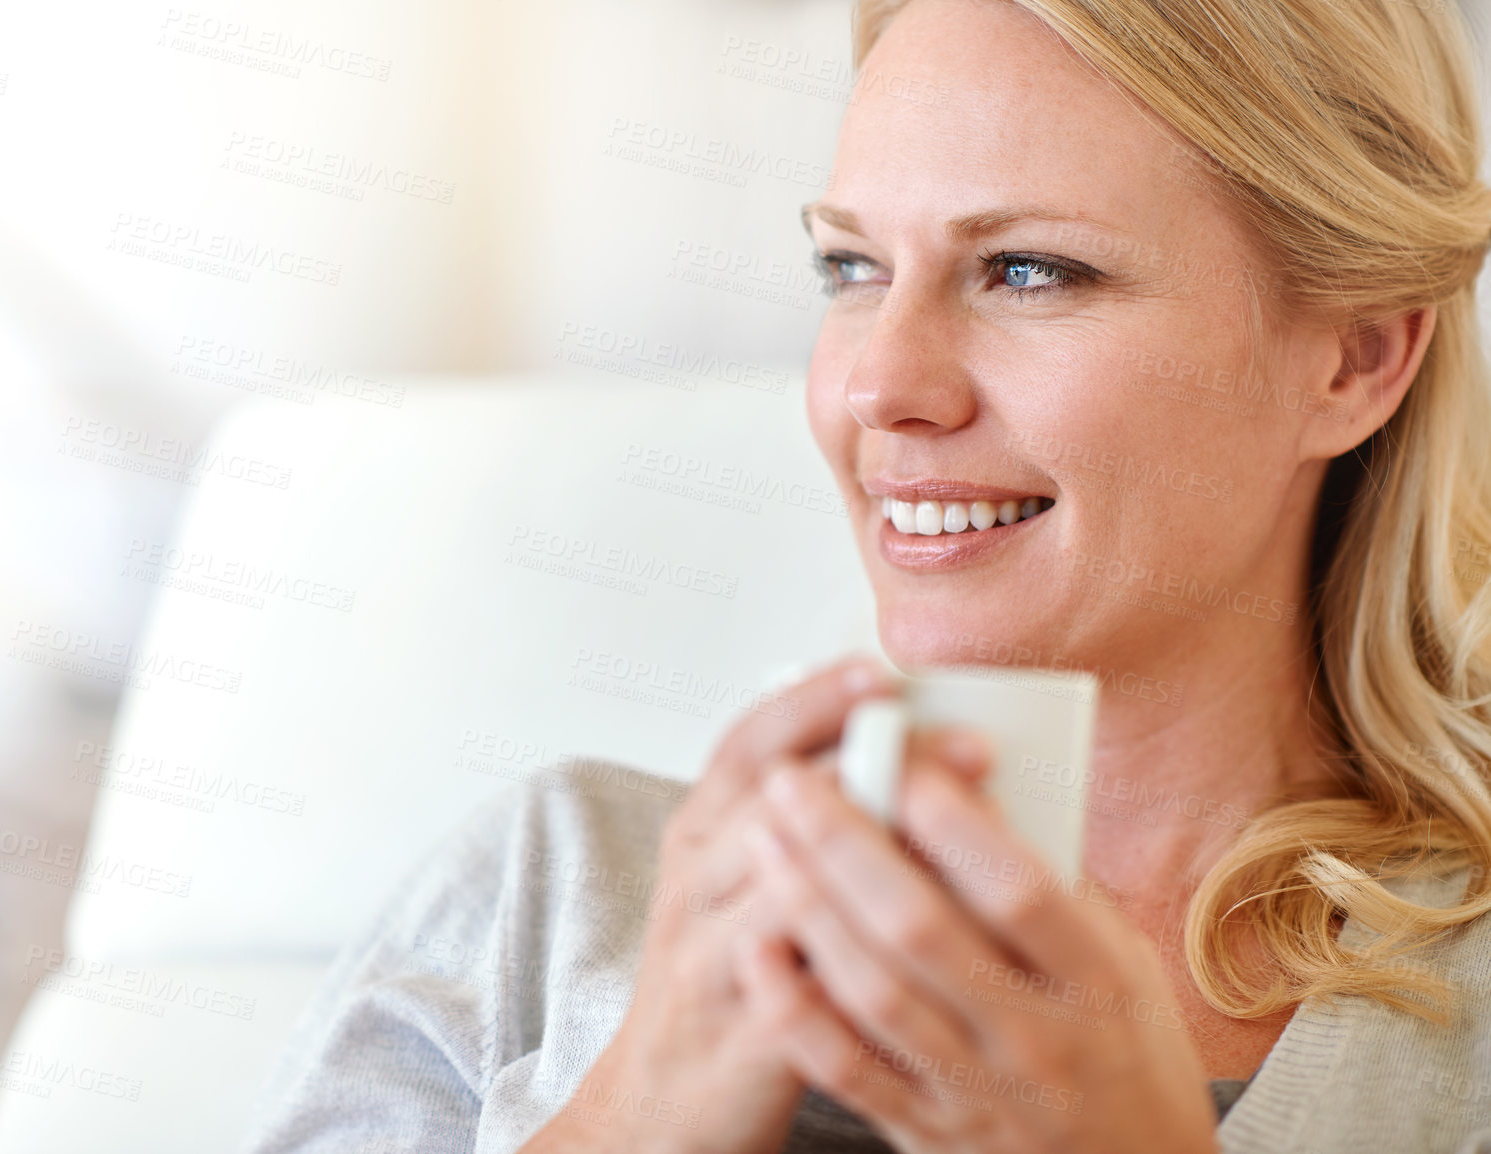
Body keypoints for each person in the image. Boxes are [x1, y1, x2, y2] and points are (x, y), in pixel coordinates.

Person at [241, 0, 1491, 1149]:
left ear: (1354, 360)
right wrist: (638, 1103)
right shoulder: (565, 881)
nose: (876, 387)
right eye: (850, 269)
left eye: (1028, 270)